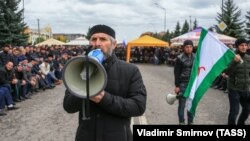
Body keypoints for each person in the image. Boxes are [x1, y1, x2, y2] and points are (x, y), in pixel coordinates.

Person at [63, 24, 147, 141]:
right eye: (94, 39)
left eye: (103, 39)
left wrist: (105, 99)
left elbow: (138, 106)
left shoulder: (130, 70)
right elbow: (68, 106)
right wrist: (82, 87)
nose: (97, 43)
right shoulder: (79, 68)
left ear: (114, 44)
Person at [224, 38, 250, 125]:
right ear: (237, 46)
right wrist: (234, 62)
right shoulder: (231, 57)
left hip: (245, 89)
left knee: (247, 110)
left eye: (245, 45)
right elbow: (226, 72)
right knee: (234, 111)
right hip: (234, 89)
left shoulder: (248, 58)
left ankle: (240, 123)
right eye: (242, 45)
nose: (244, 47)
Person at [174, 40, 195, 125]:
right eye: (187, 47)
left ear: (192, 47)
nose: (189, 49)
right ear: (184, 48)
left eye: (190, 47)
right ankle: (181, 122)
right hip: (183, 84)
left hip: (192, 84)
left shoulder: (196, 57)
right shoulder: (179, 58)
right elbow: (176, 73)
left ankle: (190, 122)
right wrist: (177, 86)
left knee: (191, 105)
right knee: (182, 105)